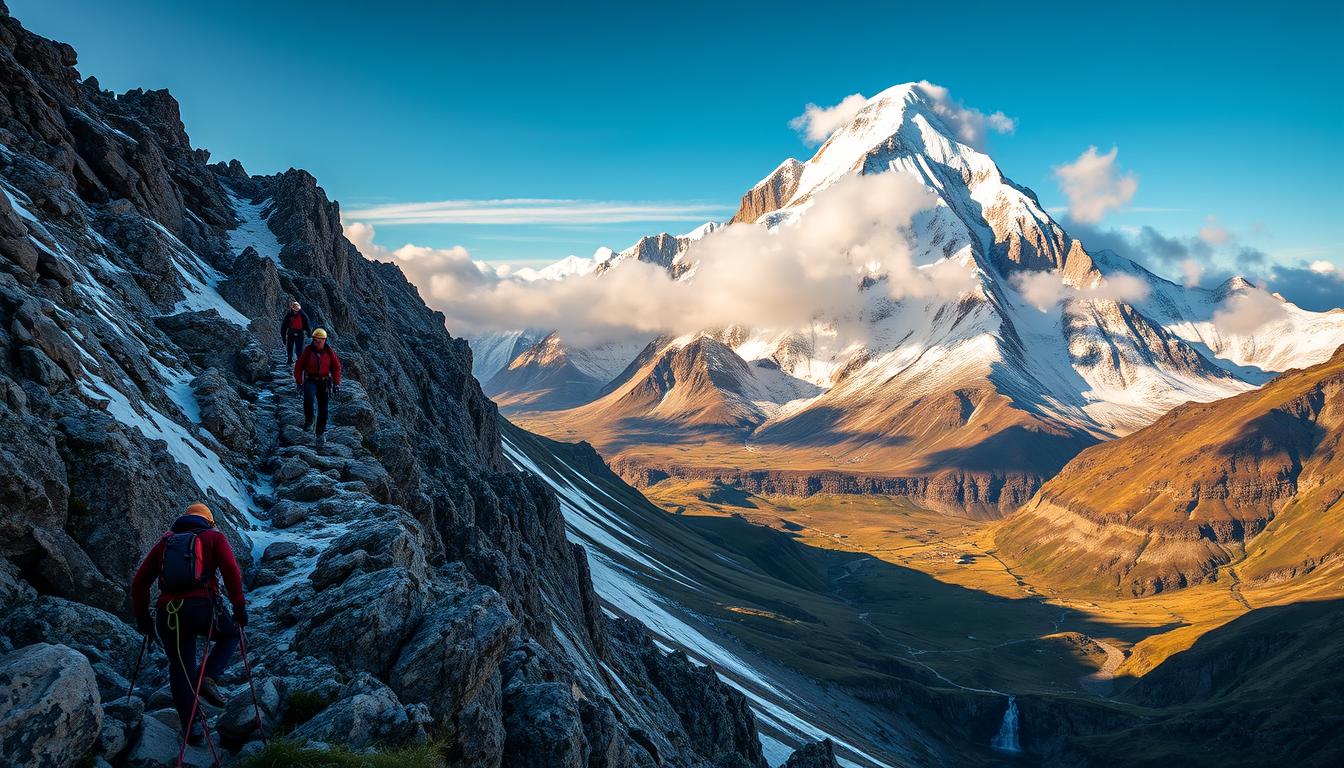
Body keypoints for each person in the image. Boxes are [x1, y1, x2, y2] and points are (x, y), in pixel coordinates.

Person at [131, 503, 246, 746]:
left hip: (168, 613)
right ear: (208, 521)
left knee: (180, 668)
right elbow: (231, 572)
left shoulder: (166, 541)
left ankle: (191, 728)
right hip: (202, 607)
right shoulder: (214, 537)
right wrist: (238, 608)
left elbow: (140, 583)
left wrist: (143, 618)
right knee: (231, 635)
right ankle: (208, 677)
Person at [294, 327, 341, 447]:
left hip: (324, 381)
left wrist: (336, 383)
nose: (317, 342)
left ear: (324, 340)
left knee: (323, 407)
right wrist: (299, 382)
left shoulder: (329, 352)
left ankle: (320, 433)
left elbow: (336, 368)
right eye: (315, 340)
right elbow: (299, 366)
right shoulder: (308, 351)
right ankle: (309, 419)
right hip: (310, 379)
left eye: (320, 340)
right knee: (308, 399)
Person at [279, 300, 312, 365]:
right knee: (289, 347)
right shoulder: (289, 315)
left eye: (297, 310)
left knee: (299, 348)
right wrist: (283, 337)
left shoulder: (303, 315)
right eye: (294, 310)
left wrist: (309, 334)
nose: (296, 312)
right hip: (291, 332)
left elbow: (307, 324)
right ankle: (289, 360)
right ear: (292, 309)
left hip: (300, 333)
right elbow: (284, 326)